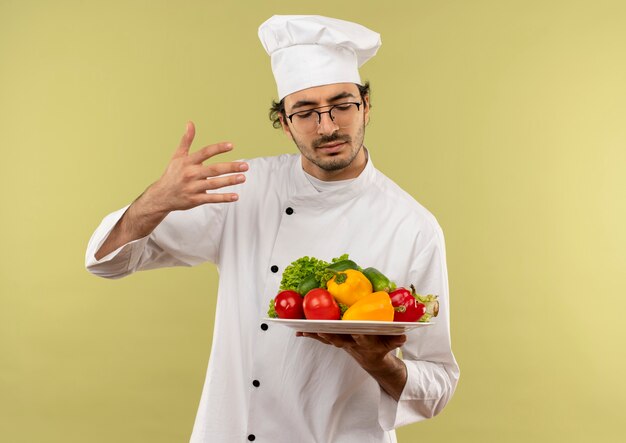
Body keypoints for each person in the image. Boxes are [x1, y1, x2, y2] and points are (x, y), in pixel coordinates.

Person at [86, 15, 459, 443]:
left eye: (342, 105)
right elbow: (106, 264)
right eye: (305, 112)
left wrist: (380, 364)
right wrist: (154, 201)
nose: (328, 126)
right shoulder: (245, 192)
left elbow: (439, 386)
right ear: (283, 122)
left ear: (366, 106)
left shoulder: (412, 225)